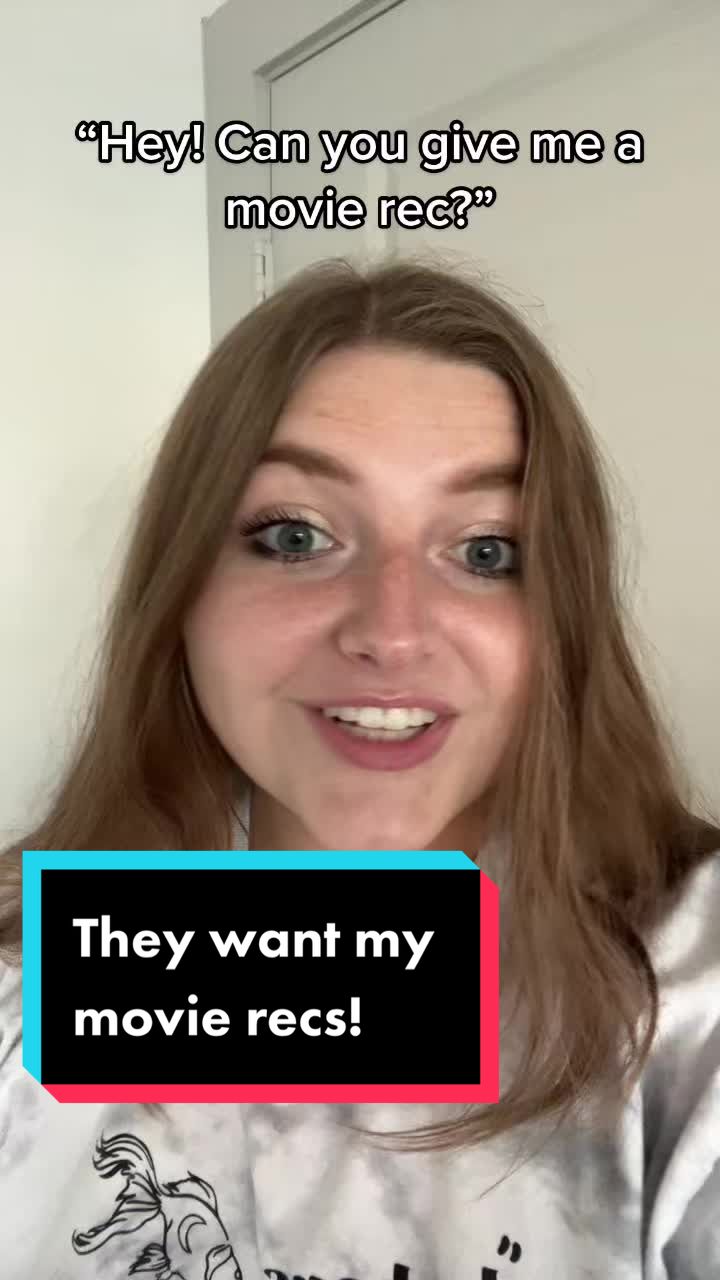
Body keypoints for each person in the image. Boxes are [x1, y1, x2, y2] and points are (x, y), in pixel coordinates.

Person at [0, 258, 718, 1280]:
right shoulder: (29, 975)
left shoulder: (692, 991)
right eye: (295, 535)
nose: (392, 631)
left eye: (487, 551)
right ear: (182, 587)